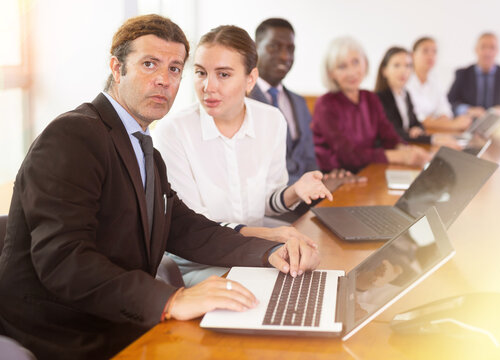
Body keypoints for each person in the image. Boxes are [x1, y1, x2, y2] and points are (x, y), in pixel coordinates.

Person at [0, 15, 318, 360]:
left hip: (120, 318)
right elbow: (64, 260)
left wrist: (266, 252)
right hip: (68, 332)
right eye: (150, 64)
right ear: (117, 68)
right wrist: (171, 298)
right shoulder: (73, 136)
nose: (164, 80)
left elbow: (183, 227)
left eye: (175, 69)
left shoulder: (143, 146)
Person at [153, 25, 330, 286]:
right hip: (201, 262)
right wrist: (271, 235)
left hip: (258, 254)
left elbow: (267, 200)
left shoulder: (271, 120)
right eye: (201, 73)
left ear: (250, 79)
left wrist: (294, 191)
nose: (208, 86)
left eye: (223, 74)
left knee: (311, 281)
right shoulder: (173, 131)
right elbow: (195, 227)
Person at [249, 18, 361, 187]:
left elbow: (310, 159)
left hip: (305, 197)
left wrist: (321, 181)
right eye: (274, 47)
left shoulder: (299, 102)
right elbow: (255, 171)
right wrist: (306, 187)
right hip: (269, 203)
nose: (284, 56)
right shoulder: (243, 101)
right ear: (255, 48)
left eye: (290, 49)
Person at [312, 37, 431, 174]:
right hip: (337, 178)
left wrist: (407, 150)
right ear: (331, 73)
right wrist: (399, 156)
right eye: (342, 66)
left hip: (368, 171)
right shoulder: (325, 104)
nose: (352, 72)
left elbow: (389, 137)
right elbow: (347, 156)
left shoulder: (370, 98)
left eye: (356, 62)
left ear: (365, 63)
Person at [375, 47, 461, 148]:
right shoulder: (378, 98)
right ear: (384, 70)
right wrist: (432, 139)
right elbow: (394, 133)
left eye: (408, 66)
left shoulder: (405, 94)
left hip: (407, 146)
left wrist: (417, 129)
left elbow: (415, 122)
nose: (403, 71)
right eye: (397, 65)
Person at [447, 32, 500, 118]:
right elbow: (449, 102)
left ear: (497, 51)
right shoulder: (463, 74)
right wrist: (467, 110)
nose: (487, 52)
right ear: (476, 49)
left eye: (492, 48)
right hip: (468, 125)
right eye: (483, 47)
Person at [407, 37, 472, 131]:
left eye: (434, 52)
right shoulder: (406, 81)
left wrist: (442, 118)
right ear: (412, 55)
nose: (431, 55)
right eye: (425, 51)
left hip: (435, 131)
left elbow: (445, 109)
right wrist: (452, 124)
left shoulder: (434, 80)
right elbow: (417, 119)